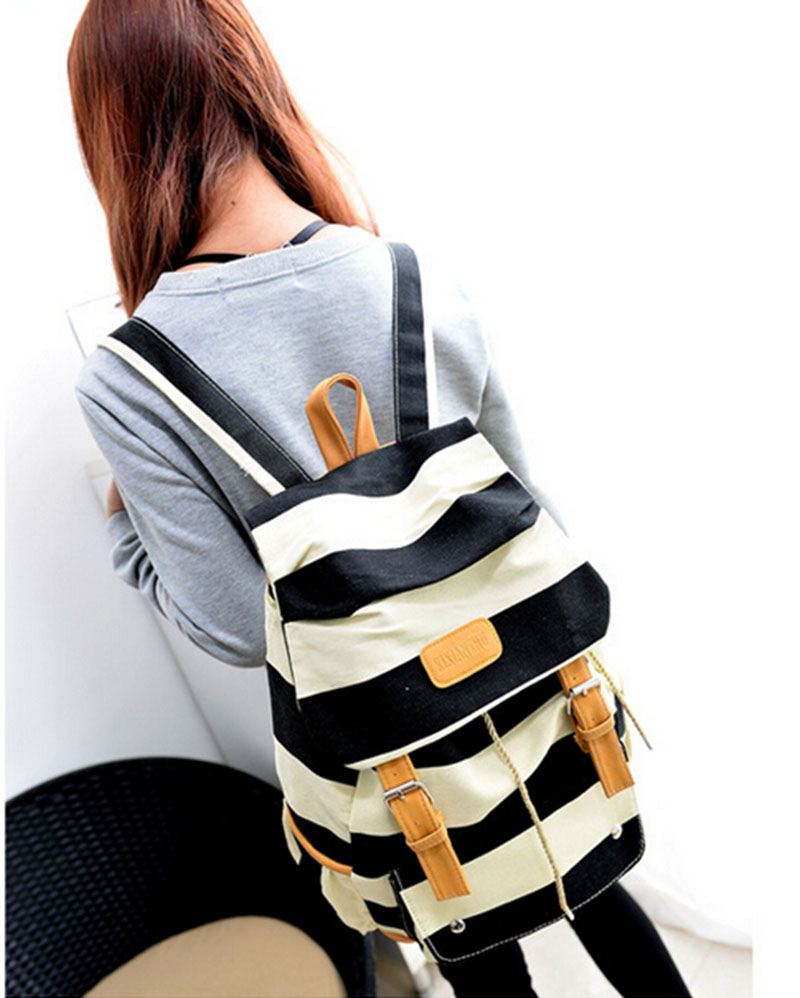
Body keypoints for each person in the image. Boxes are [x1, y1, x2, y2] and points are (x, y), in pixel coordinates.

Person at [68, 2, 692, 995]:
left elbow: (233, 625)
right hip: (529, 690)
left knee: (474, 940)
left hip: (387, 755)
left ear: (113, 134)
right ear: (254, 84)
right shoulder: (409, 275)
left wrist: (124, 528)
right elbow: (527, 504)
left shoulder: (132, 377)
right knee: (592, 873)